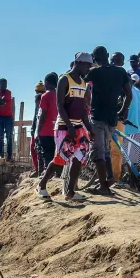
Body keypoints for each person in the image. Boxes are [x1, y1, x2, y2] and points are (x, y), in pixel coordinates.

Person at [37, 52, 94, 202]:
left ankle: (70, 191)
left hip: (78, 126)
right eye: (88, 66)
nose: (88, 69)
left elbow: (82, 110)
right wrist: (69, 126)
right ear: (80, 63)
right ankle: (42, 185)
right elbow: (60, 106)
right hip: (63, 126)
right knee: (60, 160)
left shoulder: (82, 83)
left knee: (78, 156)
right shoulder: (64, 80)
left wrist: (89, 128)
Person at [86, 46, 131, 193]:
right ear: (107, 55)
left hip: (98, 116)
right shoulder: (120, 71)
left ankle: (104, 187)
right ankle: (109, 177)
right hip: (112, 118)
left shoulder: (95, 72)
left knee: (98, 151)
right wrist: (122, 111)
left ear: (94, 59)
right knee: (105, 150)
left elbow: (79, 78)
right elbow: (128, 95)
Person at [33, 73, 59, 180]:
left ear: (47, 83)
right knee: (55, 153)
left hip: (46, 131)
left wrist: (38, 132)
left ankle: (47, 176)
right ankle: (56, 174)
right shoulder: (59, 95)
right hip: (57, 130)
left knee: (46, 154)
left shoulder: (45, 96)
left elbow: (42, 116)